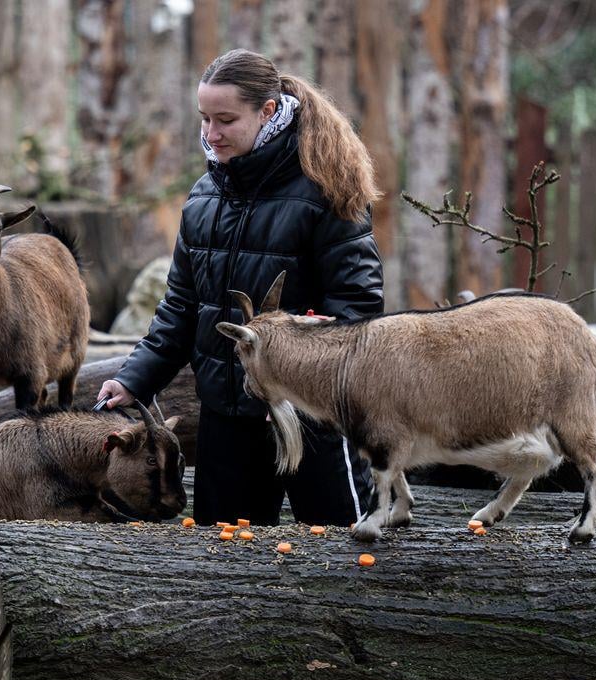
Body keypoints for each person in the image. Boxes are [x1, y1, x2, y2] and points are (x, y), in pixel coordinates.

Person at [96, 48, 383, 527]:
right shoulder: (203, 197)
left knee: (343, 557)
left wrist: (300, 387)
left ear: (267, 111)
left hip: (310, 418)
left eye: (225, 119)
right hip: (226, 420)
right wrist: (134, 379)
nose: (211, 134)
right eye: (204, 119)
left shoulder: (327, 188)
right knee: (224, 567)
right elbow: (183, 308)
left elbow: (358, 308)